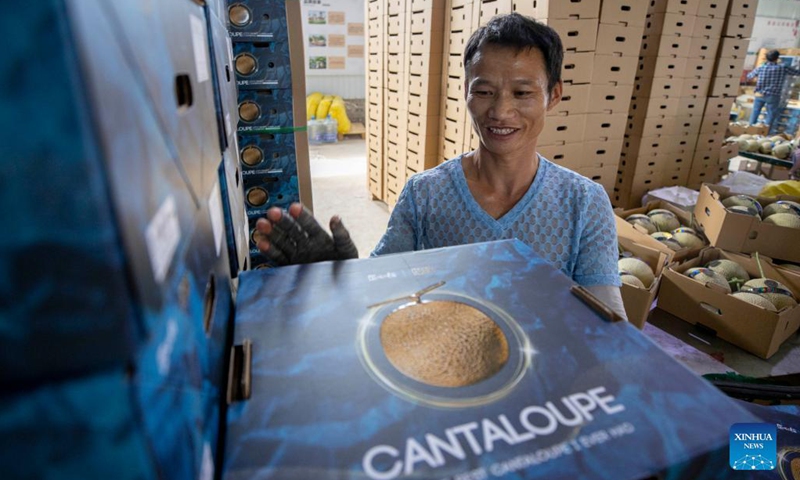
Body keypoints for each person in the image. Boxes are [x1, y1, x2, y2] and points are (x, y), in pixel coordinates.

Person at [254, 13, 627, 321]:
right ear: (465, 90)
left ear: (554, 95)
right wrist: (343, 275)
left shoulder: (584, 203)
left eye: (522, 93)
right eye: (483, 92)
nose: (500, 111)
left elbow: (609, 324)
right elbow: (383, 291)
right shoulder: (425, 194)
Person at [747, 49, 800, 133]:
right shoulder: (782, 68)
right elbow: (797, 72)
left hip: (759, 94)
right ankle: (764, 132)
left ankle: (749, 130)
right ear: (777, 58)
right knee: (770, 115)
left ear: (766, 58)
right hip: (773, 95)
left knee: (755, 113)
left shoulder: (761, 68)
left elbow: (749, 76)